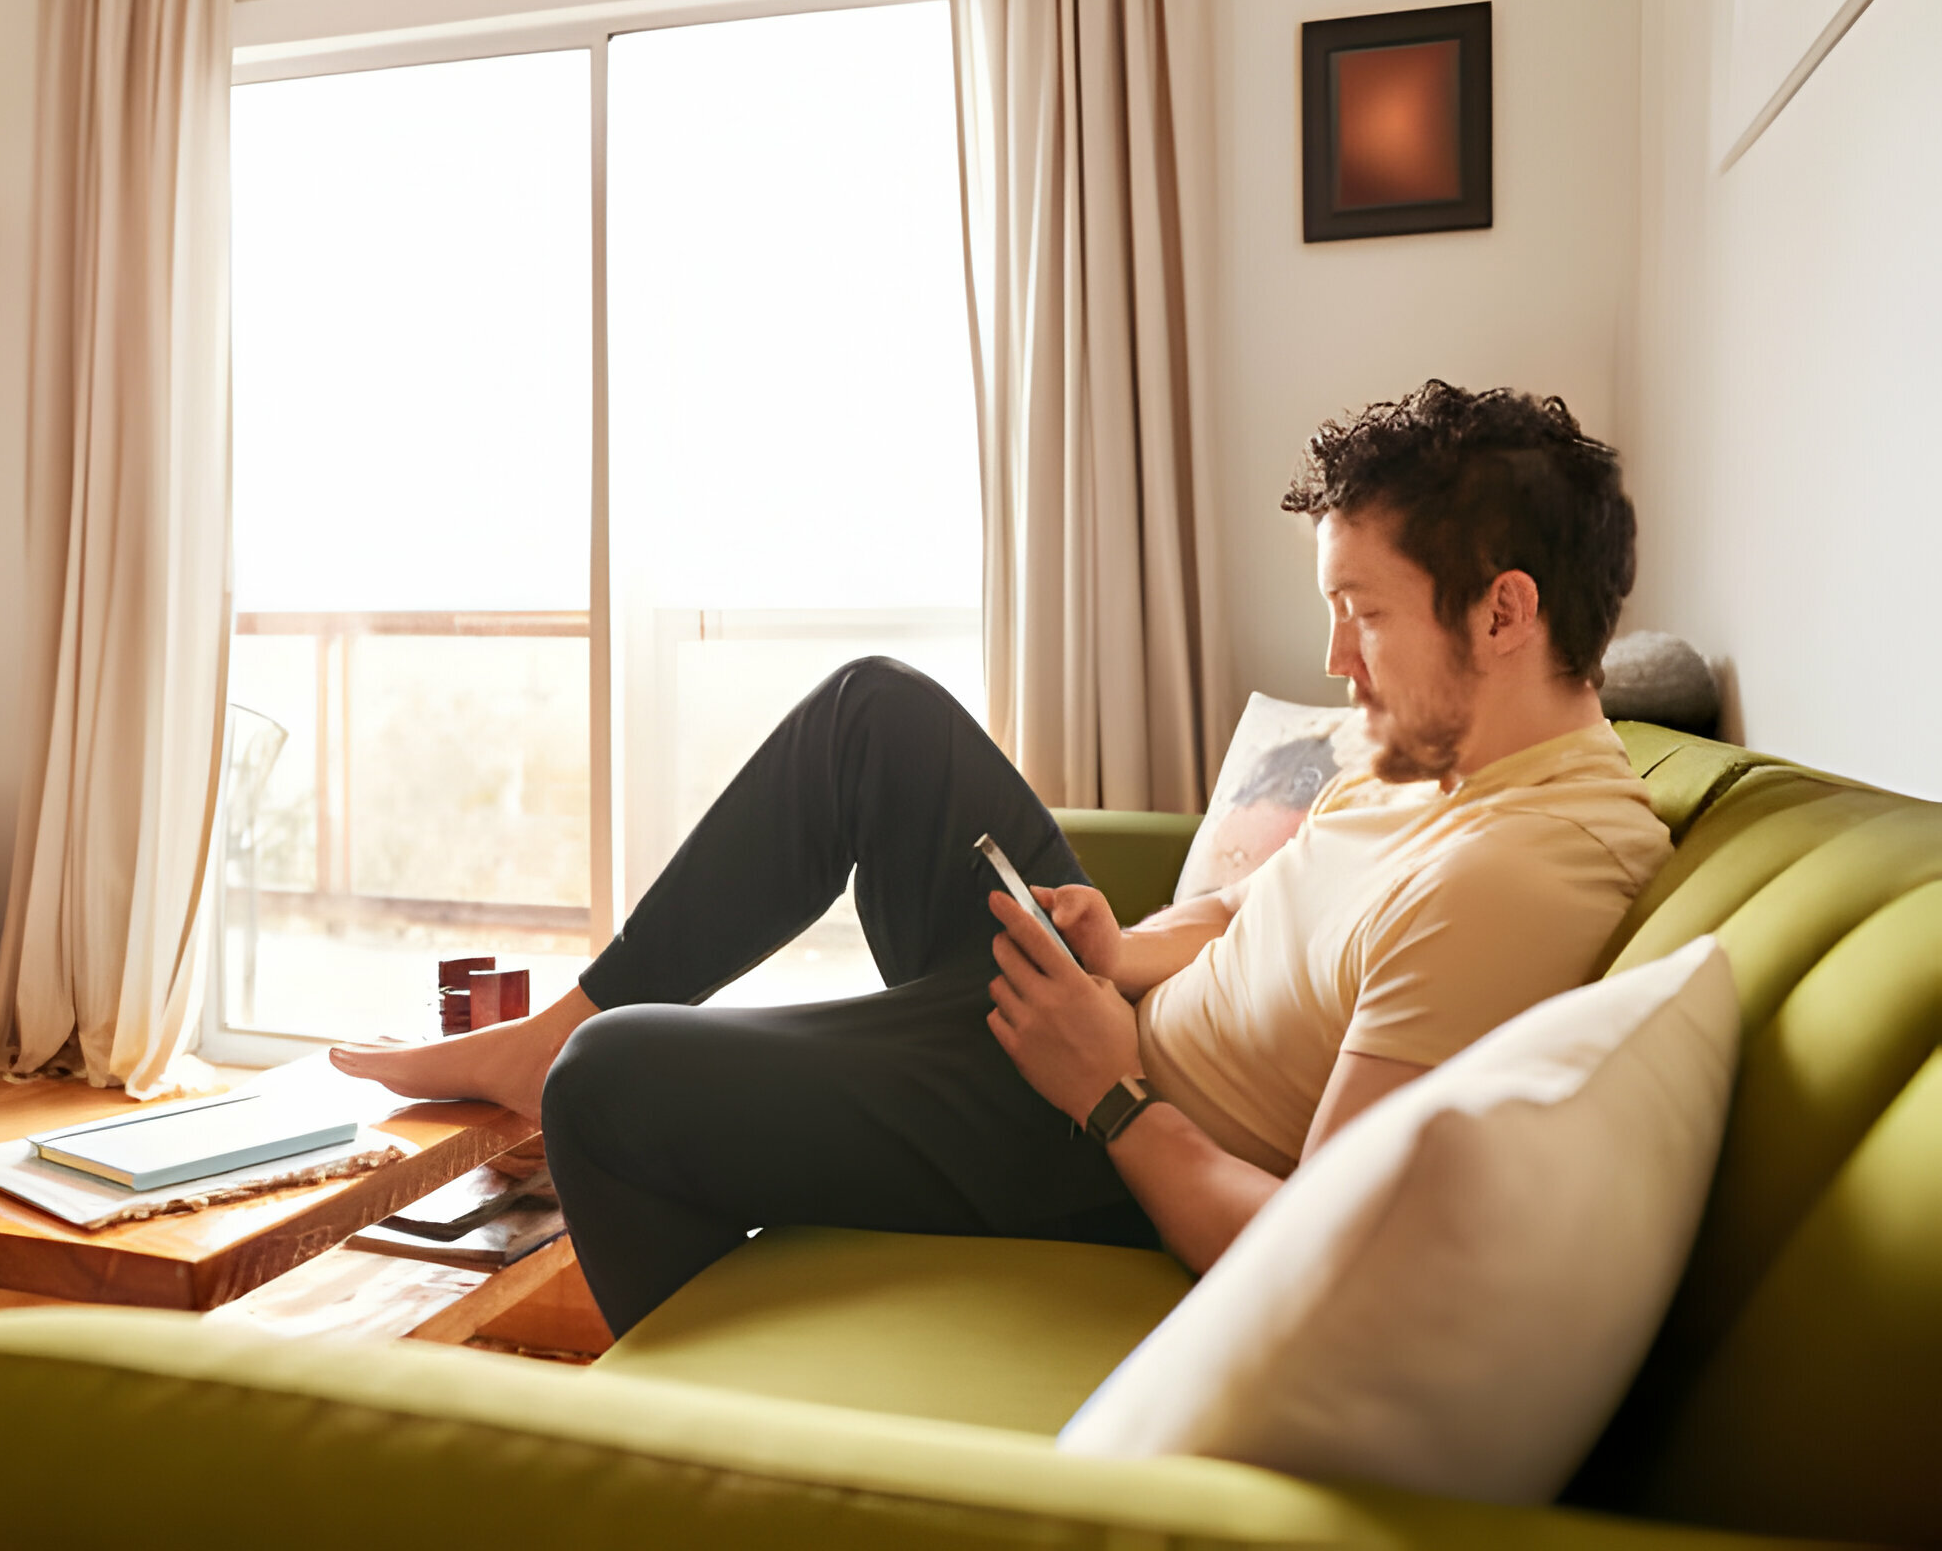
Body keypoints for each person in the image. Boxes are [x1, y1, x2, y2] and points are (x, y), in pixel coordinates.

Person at [333, 380, 1674, 1337]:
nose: (1335, 660)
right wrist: (1123, 946)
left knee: (609, 1091)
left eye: (1362, 616)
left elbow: (1317, 1256)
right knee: (874, 714)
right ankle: (571, 1009)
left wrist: (1106, 1093)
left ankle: (729, 1429)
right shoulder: (1439, 759)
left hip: (1096, 1139)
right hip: (1109, 1023)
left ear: (1504, 613)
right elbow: (1244, 905)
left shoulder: (1514, 874)